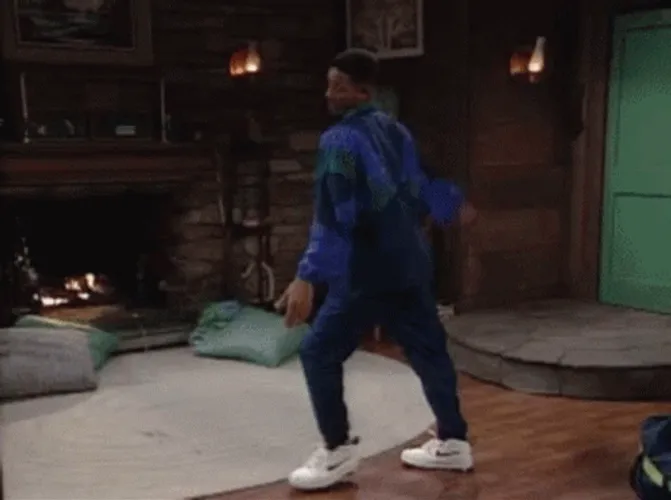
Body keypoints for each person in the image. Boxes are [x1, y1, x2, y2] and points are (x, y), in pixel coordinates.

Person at [275, 48, 477, 491]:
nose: (329, 94)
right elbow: (420, 185)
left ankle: (337, 449)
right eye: (328, 84)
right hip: (410, 263)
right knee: (429, 352)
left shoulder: (339, 141)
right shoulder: (395, 130)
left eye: (338, 86)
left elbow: (335, 215)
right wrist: (450, 204)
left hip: (366, 270)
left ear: (363, 91)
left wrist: (307, 275)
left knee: (317, 353)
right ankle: (453, 441)